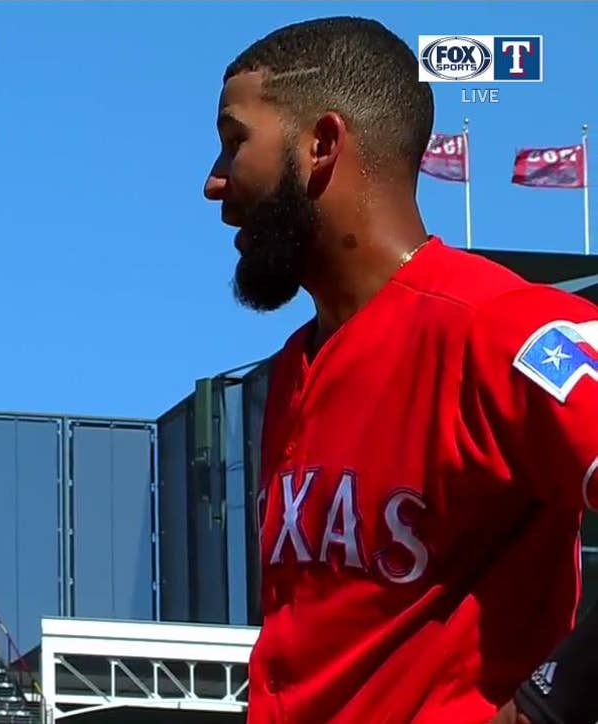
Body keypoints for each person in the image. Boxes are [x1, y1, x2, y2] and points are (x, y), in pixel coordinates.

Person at [204, 16, 598, 724]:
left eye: (236, 143)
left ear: (321, 145)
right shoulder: (296, 368)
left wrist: (549, 701)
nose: (214, 182)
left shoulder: (506, 328)